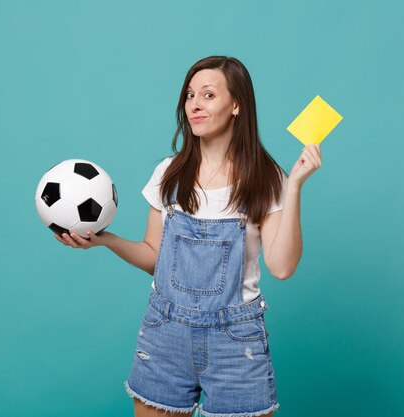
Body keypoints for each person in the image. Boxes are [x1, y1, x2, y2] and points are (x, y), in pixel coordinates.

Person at [55, 55, 322, 417]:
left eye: (209, 95)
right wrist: (107, 240)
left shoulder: (266, 178)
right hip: (165, 333)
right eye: (190, 95)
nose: (195, 104)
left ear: (237, 104)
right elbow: (155, 257)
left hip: (235, 341)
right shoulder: (169, 174)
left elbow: (282, 266)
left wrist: (294, 189)